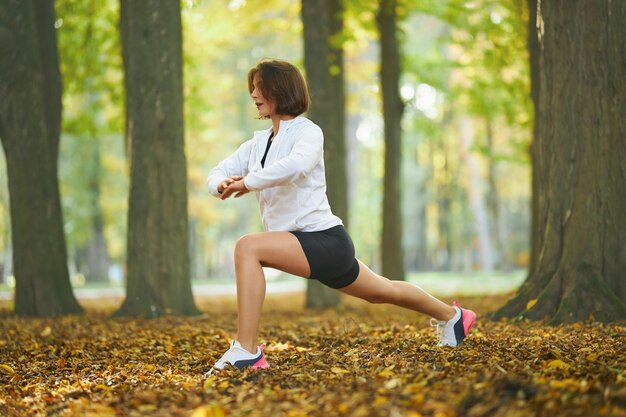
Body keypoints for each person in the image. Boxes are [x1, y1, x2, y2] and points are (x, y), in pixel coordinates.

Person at [206, 59, 476, 373]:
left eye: (259, 87)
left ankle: (247, 352)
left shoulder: (308, 133)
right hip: (303, 245)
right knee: (382, 291)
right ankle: (453, 317)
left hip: (324, 241)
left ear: (280, 90)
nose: (253, 93)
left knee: (248, 247)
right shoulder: (257, 144)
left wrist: (248, 182)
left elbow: (296, 166)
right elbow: (220, 170)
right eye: (252, 87)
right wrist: (221, 184)